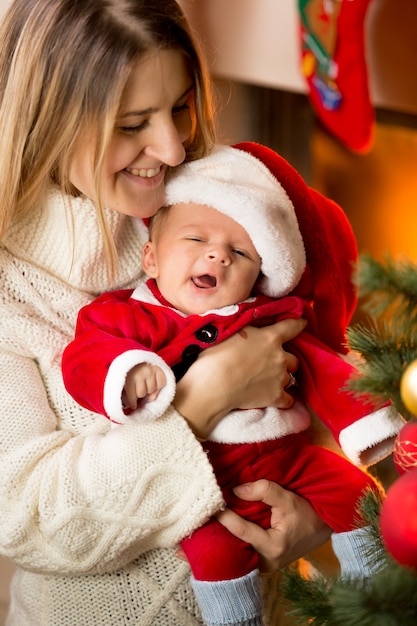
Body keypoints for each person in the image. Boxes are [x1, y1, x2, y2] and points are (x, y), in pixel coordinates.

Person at [0, 0, 354, 624]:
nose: (170, 149)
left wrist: (314, 518)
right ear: (50, 120)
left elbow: (310, 372)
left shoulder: (223, 206)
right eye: (134, 123)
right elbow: (26, 519)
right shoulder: (11, 286)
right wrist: (203, 399)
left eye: (181, 107)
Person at [62, 145, 404, 626]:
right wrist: (122, 371)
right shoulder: (131, 316)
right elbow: (85, 356)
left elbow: (326, 371)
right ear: (151, 259)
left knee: (355, 491)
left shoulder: (268, 319)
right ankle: (236, 619)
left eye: (239, 252)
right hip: (205, 475)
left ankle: (373, 593)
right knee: (215, 550)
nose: (217, 254)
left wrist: (366, 422)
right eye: (196, 238)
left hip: (284, 458)